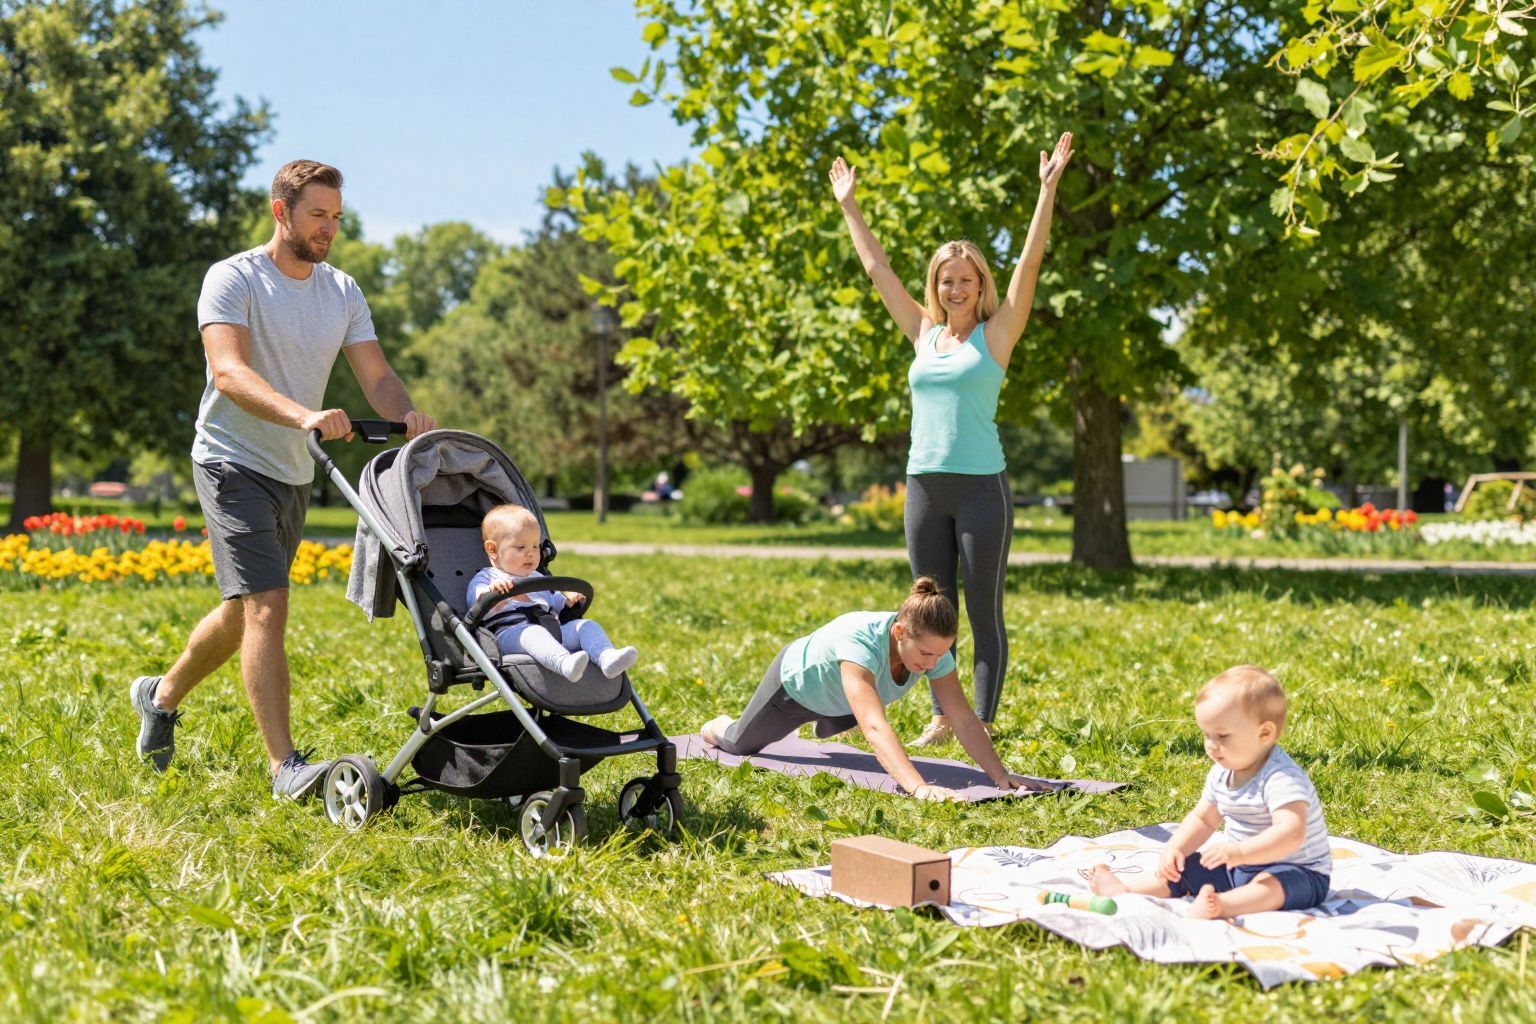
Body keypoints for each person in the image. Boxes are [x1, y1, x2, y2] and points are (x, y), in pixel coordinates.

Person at [129, 160, 437, 798]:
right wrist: (304, 416)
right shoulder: (234, 278)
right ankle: (284, 768)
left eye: (336, 217)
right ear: (281, 212)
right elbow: (229, 372)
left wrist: (407, 416)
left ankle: (159, 696)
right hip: (231, 457)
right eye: (317, 215)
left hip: (294, 467)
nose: (329, 228)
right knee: (268, 605)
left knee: (242, 611)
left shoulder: (342, 291)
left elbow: (377, 375)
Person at [829, 132, 1074, 747]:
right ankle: (943, 717)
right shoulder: (923, 333)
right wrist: (850, 206)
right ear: (935, 287)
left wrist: (1046, 192)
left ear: (980, 284)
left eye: (965, 280)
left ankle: (980, 720)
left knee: (982, 609)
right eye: (945, 281)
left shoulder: (998, 333)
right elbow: (877, 270)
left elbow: (1029, 266)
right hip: (924, 487)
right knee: (930, 611)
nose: (955, 289)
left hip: (980, 488)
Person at [698, 578, 1032, 801]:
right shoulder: (859, 642)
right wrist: (919, 788)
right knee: (740, 745)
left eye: (940, 654)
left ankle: (827, 722)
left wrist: (1000, 776)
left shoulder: (932, 653)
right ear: (899, 633)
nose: (933, 664)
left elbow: (961, 717)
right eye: (926, 654)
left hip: (843, 700)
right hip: (795, 690)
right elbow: (874, 726)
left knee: (855, 707)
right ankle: (720, 724)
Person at [1088, 665, 1331, 918]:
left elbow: (1291, 833)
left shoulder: (1281, 778)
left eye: (1223, 736)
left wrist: (1240, 853)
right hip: (1237, 866)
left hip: (1297, 870)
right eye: (1207, 734)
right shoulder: (1222, 772)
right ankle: (1126, 890)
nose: (1212, 746)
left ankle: (1223, 905)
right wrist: (1176, 849)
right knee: (1187, 867)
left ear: (1265, 733)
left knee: (1272, 885)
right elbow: (1203, 818)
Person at [467, 504, 638, 681]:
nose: (530, 553)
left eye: (535, 546)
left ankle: (607, 657)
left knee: (585, 626)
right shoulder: (487, 578)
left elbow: (554, 600)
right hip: (511, 634)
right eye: (520, 547)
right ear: (492, 549)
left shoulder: (537, 578)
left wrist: (568, 601)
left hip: (552, 629)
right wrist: (492, 592)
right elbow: (476, 602)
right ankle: (564, 663)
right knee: (533, 633)